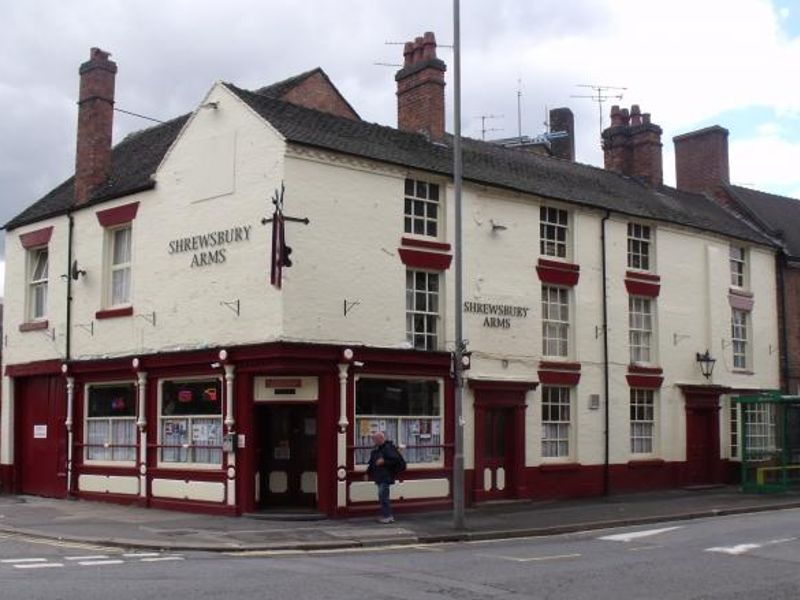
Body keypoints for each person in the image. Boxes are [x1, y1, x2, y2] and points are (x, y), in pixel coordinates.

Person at [366, 431, 402, 523]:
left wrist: (384, 462)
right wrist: (367, 473)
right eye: (373, 439)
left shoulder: (388, 448)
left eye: (375, 439)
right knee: (383, 496)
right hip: (379, 476)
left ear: (381, 439)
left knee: (383, 496)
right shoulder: (376, 450)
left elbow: (396, 461)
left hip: (386, 476)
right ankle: (387, 515)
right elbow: (372, 463)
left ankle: (388, 516)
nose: (373, 441)